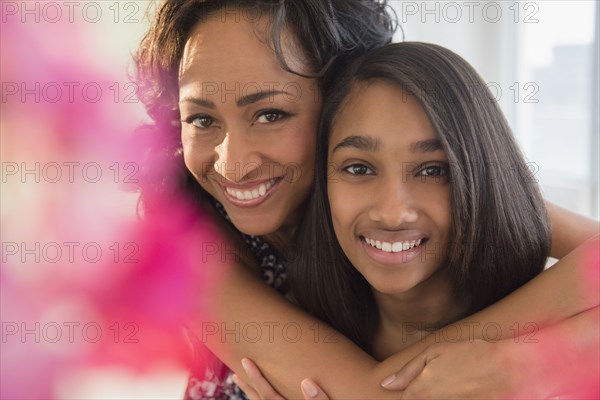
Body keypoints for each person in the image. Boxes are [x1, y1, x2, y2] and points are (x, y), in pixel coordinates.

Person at [133, 1, 599, 398]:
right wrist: (503, 362)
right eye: (200, 119)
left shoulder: (413, 191)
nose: (233, 165)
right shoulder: (185, 230)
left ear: (340, 98)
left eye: (270, 113)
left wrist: (516, 360)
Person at [235, 42, 600, 399]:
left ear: (482, 182)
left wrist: (516, 362)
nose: (392, 213)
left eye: (431, 170)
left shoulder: (563, 346)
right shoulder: (291, 331)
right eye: (358, 168)